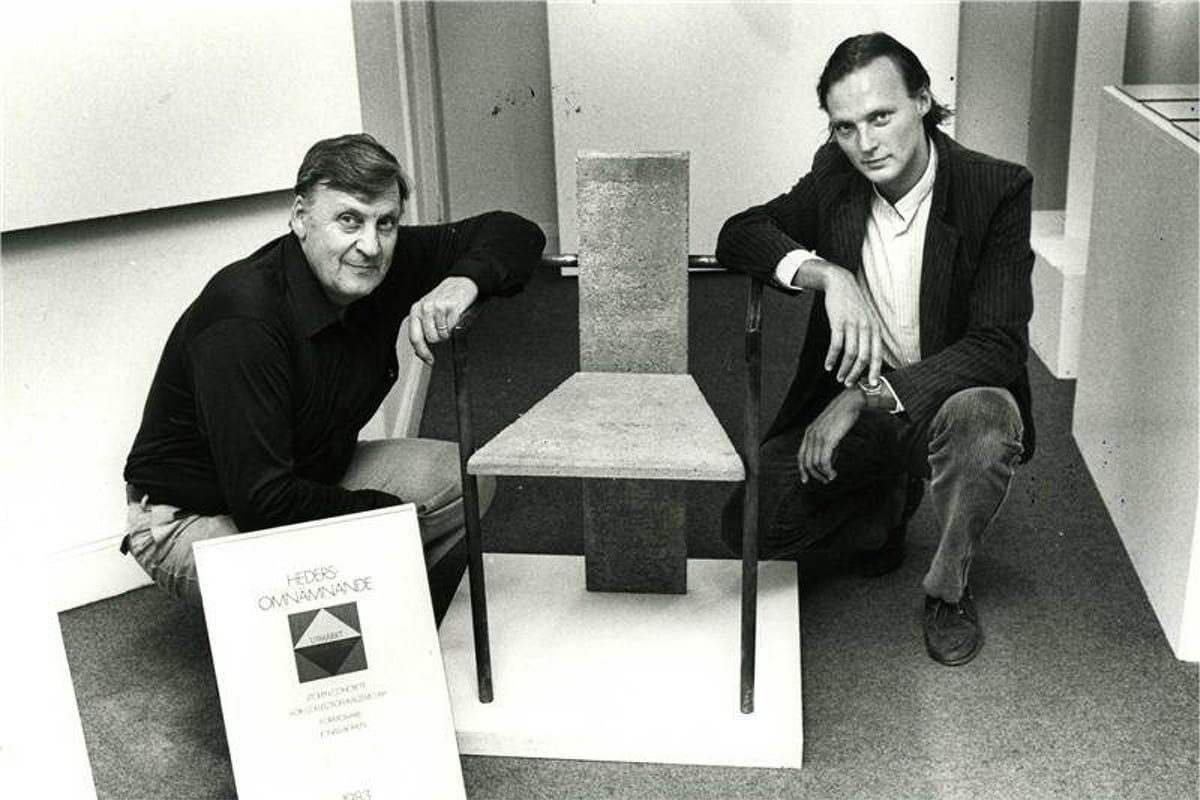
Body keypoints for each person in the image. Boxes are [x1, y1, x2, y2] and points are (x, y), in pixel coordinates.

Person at [121, 133, 545, 622]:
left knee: (464, 481)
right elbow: (264, 504)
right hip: (192, 518)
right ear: (301, 217)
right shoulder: (243, 318)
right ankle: (348, 618)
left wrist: (463, 279)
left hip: (307, 473)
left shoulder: (383, 259)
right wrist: (387, 517)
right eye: (348, 220)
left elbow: (515, 232)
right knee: (307, 587)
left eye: (385, 223)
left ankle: (364, 603)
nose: (369, 245)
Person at [717, 33, 1034, 666]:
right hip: (863, 398)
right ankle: (886, 506)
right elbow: (740, 233)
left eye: (881, 116)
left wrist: (863, 400)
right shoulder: (837, 176)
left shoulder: (994, 188)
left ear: (922, 101)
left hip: (948, 396)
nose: (866, 143)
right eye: (845, 127)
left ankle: (948, 590)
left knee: (985, 426)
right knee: (748, 526)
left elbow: (997, 345)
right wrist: (827, 275)